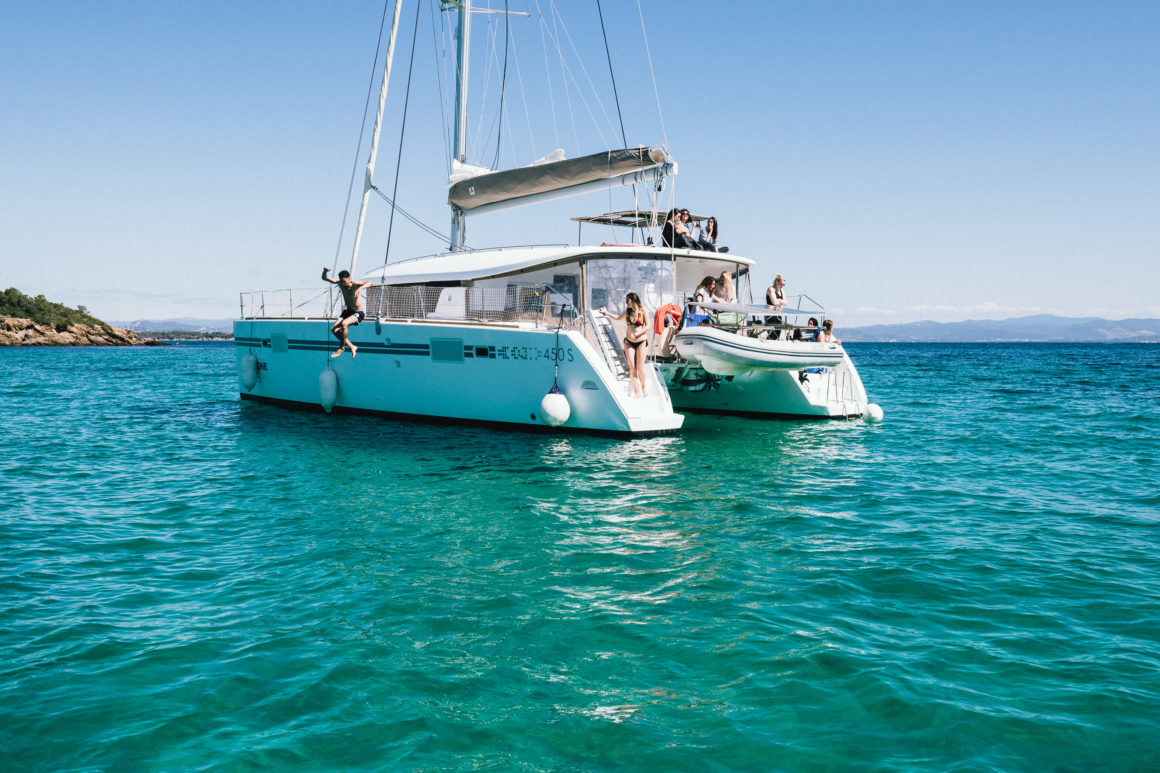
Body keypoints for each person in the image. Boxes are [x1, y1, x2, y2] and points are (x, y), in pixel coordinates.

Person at [601, 292, 650, 398]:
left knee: (640, 368)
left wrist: (638, 333)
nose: (626, 302)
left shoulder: (643, 311)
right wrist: (606, 312)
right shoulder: (628, 312)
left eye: (627, 300)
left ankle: (643, 387)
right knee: (632, 368)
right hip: (629, 342)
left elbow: (648, 326)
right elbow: (618, 318)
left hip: (641, 341)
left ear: (633, 300)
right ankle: (636, 391)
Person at [322, 266, 372, 358]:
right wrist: (325, 271)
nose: (343, 283)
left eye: (344, 281)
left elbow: (370, 283)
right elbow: (325, 278)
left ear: (349, 279)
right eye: (341, 281)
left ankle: (342, 348)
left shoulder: (356, 284)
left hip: (358, 313)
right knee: (334, 329)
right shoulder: (341, 283)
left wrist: (360, 288)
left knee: (344, 323)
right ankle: (352, 346)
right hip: (347, 312)